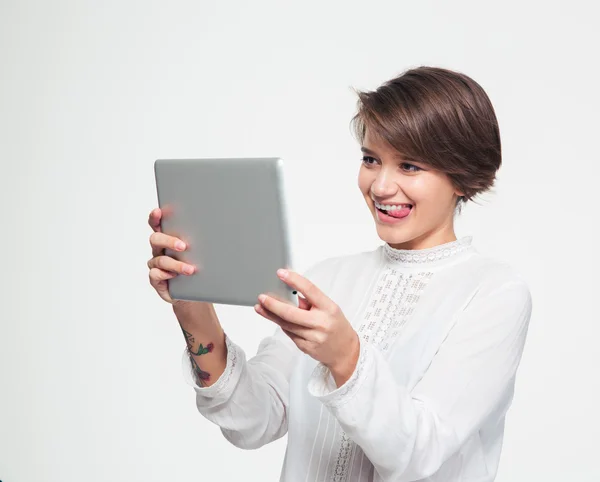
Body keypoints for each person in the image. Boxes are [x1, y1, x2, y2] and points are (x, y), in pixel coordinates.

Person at [146, 66, 532, 482]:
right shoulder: (328, 278)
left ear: (461, 176)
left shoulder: (494, 293)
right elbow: (253, 421)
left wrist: (346, 356)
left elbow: (419, 455)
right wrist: (192, 306)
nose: (381, 186)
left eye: (410, 166)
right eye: (371, 159)